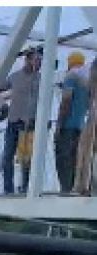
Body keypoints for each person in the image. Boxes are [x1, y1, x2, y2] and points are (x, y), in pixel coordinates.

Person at [3, 48, 42, 194]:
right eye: (36, 60)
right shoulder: (15, 77)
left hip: (29, 123)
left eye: (39, 61)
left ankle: (26, 188)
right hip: (13, 121)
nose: (38, 64)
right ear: (27, 60)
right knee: (7, 157)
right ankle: (8, 189)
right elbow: (0, 87)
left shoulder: (39, 79)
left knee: (27, 159)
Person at [55, 51, 89, 193]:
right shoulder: (86, 81)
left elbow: (66, 101)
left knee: (63, 160)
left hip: (68, 126)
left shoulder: (71, 77)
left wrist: (59, 125)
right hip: (80, 127)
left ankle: (65, 191)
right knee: (76, 161)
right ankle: (75, 190)